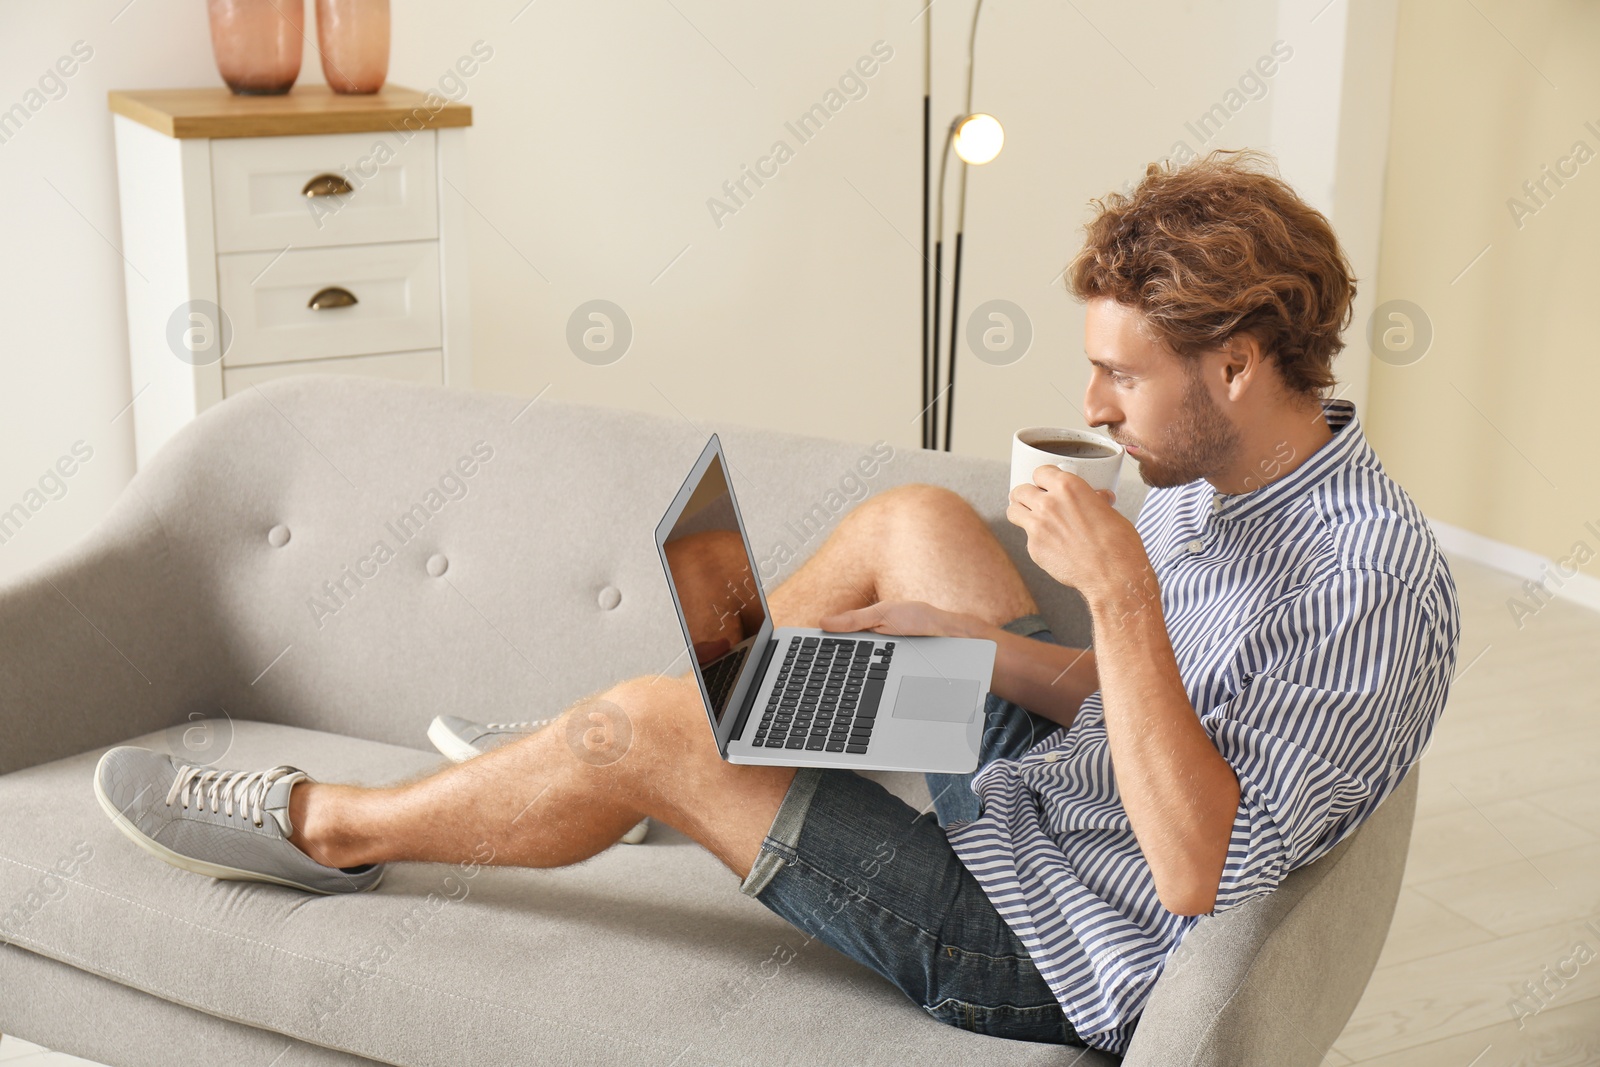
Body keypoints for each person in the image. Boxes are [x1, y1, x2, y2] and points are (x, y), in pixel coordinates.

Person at [92, 149, 1460, 1056]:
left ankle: (333, 829)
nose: (1095, 407)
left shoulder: (1365, 582)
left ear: (1234, 366)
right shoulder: (1215, 470)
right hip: (1065, 792)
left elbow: (1199, 872)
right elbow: (1143, 706)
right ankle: (653, 757)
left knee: (647, 727)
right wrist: (992, 657)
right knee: (913, 526)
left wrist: (1119, 599)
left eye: (1124, 377)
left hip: (1053, 939)